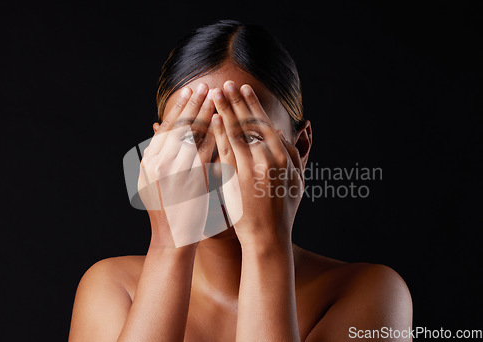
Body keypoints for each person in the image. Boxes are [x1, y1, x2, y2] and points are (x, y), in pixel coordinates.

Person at [69, 20, 412, 342]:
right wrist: (169, 242)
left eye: (247, 137)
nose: (219, 163)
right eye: (191, 138)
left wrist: (266, 245)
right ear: (155, 155)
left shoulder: (372, 292)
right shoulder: (113, 288)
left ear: (300, 148)